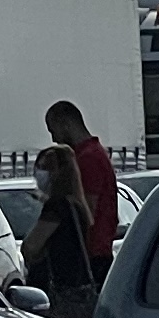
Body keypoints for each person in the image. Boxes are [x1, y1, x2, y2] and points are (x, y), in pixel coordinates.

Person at [19, 144, 102, 318]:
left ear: (58, 173)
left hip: (59, 292)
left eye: (44, 167)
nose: (39, 173)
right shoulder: (77, 206)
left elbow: (31, 246)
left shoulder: (57, 206)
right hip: (78, 291)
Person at [45, 102, 122, 267]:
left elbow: (84, 212)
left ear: (65, 124)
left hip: (90, 257)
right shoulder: (95, 153)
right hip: (97, 253)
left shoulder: (87, 159)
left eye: (53, 130)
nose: (54, 139)